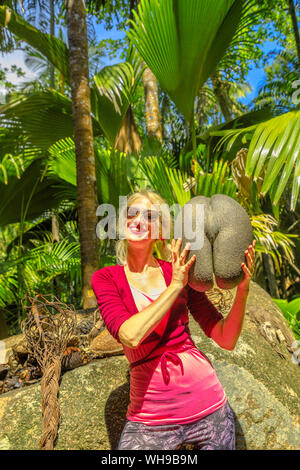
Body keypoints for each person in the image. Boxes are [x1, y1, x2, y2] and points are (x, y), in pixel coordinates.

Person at [91, 190, 255, 450]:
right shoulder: (106, 278)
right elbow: (130, 335)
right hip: (151, 419)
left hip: (209, 406)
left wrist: (244, 289)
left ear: (160, 230)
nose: (138, 220)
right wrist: (175, 286)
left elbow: (226, 338)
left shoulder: (178, 272)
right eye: (131, 213)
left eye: (149, 215)